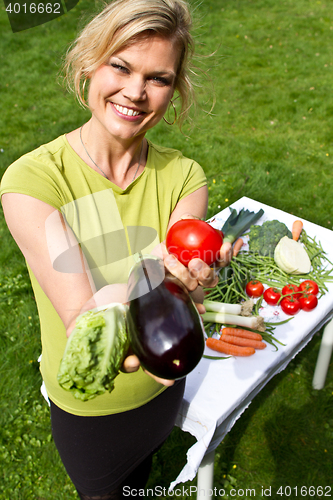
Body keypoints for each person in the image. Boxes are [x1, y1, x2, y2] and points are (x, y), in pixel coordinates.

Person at [0, 0, 231, 498]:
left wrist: (196, 273)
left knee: (142, 479)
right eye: (120, 67)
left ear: (175, 90)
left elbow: (183, 265)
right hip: (93, 412)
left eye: (159, 78)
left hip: (166, 382)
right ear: (89, 63)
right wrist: (157, 274)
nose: (135, 92)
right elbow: (84, 318)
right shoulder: (34, 181)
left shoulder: (183, 175)